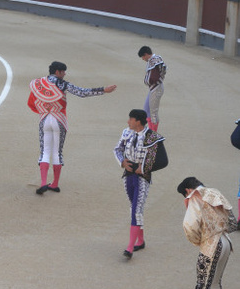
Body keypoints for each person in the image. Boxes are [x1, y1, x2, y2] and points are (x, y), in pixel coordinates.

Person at [28, 61, 117, 195]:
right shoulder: (63, 84)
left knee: (44, 151)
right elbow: (82, 92)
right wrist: (103, 90)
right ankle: (55, 184)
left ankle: (43, 183)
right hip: (59, 120)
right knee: (57, 152)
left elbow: (32, 101)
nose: (65, 74)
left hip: (44, 119)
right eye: (63, 71)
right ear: (57, 72)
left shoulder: (39, 83)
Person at [177, 177, 235, 289]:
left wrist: (199, 241)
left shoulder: (194, 198)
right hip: (226, 242)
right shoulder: (215, 192)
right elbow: (232, 221)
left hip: (210, 246)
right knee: (215, 282)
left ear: (187, 190)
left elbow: (190, 226)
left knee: (202, 288)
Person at [114, 109, 165, 259]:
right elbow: (117, 149)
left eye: (130, 119)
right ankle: (140, 240)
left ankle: (130, 247)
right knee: (134, 206)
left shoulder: (152, 137)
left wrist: (142, 168)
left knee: (136, 208)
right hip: (128, 175)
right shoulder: (127, 132)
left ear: (138, 121)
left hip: (142, 178)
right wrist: (122, 161)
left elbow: (163, 161)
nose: (128, 121)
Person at [138, 46, 166, 132]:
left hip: (156, 88)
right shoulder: (155, 59)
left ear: (146, 54)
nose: (143, 59)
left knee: (153, 112)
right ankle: (151, 131)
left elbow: (155, 77)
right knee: (146, 110)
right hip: (153, 88)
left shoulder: (154, 61)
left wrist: (150, 81)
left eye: (143, 57)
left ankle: (153, 134)